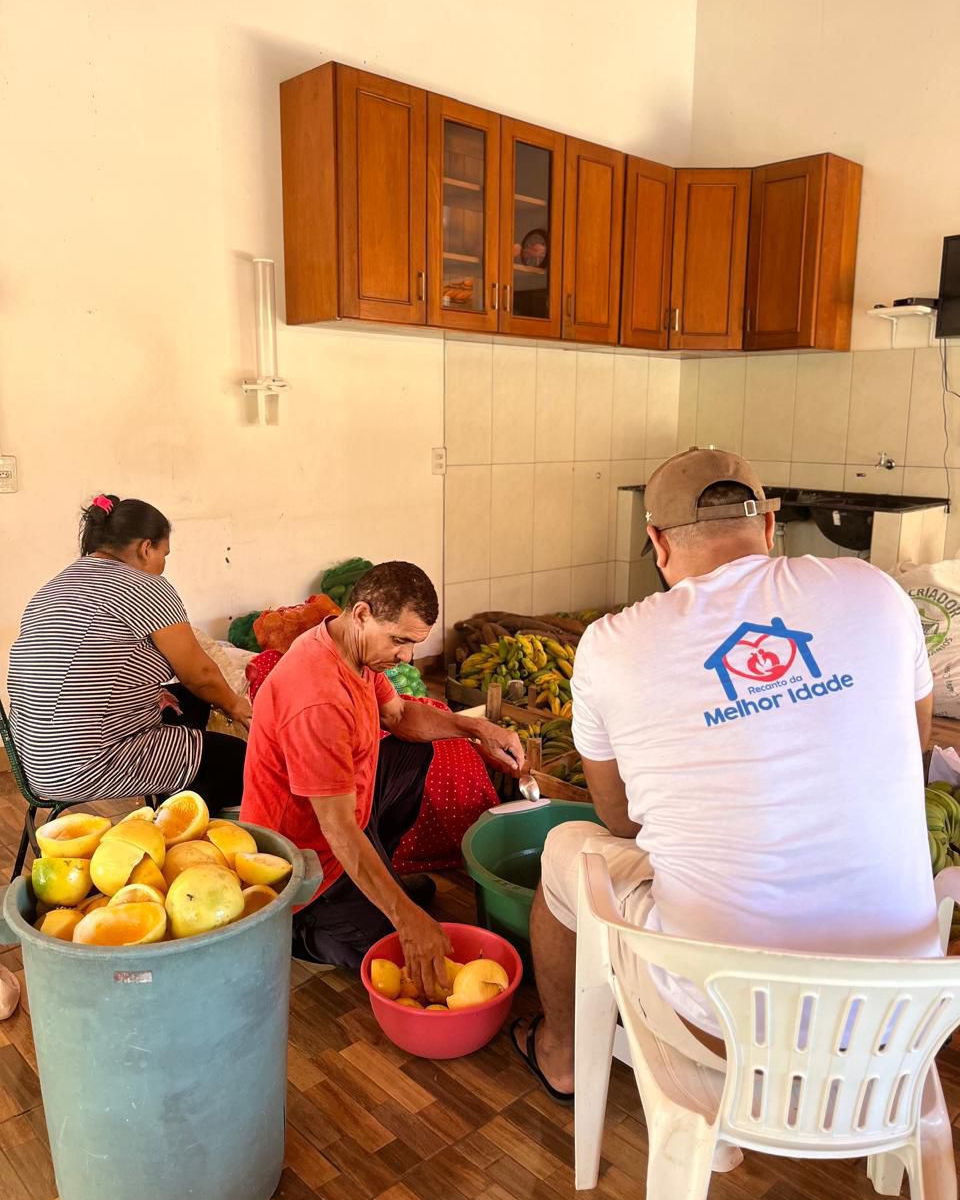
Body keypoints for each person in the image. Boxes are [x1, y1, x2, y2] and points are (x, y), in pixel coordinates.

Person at [513, 447, 938, 1102]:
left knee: (565, 852)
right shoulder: (877, 592)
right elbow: (912, 752)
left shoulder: (611, 644)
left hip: (720, 1019)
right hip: (899, 1016)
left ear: (656, 542)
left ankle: (562, 1054)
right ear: (770, 527)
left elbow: (621, 820)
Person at [240, 560, 524, 996]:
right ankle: (303, 927)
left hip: (340, 815)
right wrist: (406, 917)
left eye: (412, 644)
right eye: (399, 641)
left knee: (415, 752)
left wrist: (477, 729)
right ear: (362, 614)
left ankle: (379, 880)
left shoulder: (351, 647)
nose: (406, 657)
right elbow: (336, 828)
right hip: (305, 863)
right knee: (405, 965)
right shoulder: (318, 697)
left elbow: (401, 716)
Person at [8, 495, 251, 811]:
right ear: (145, 548)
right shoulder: (147, 586)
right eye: (164, 554)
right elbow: (200, 675)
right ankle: (176, 831)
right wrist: (239, 707)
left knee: (187, 702)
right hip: (85, 764)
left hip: (34, 759)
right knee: (240, 763)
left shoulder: (55, 586)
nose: (163, 564)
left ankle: (174, 796)